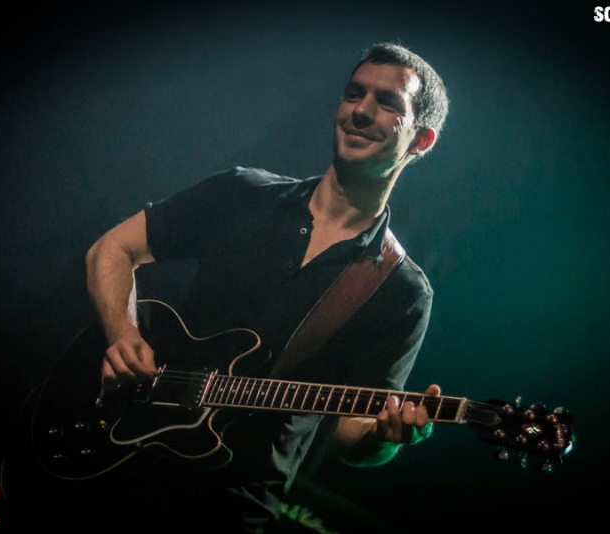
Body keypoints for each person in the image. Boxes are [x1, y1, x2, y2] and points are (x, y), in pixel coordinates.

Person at [78, 41, 449, 533]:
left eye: (386, 102)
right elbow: (111, 249)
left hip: (229, 504)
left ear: (421, 140)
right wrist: (123, 335)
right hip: (117, 451)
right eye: (353, 93)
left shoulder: (401, 290)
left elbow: (353, 436)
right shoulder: (243, 193)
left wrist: (385, 437)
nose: (360, 111)